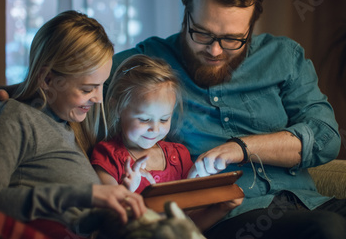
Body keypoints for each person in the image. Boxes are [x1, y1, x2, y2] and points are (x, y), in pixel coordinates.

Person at [0, 0, 346, 239]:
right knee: (326, 234)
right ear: (186, 12)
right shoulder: (145, 61)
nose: (214, 49)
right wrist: (9, 94)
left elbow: (326, 139)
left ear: (252, 29)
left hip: (307, 196)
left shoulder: (284, 57)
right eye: (202, 33)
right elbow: (70, 70)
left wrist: (242, 148)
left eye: (232, 40)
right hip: (232, 217)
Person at [0, 10, 146, 238]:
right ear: (47, 79)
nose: (98, 99)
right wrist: (88, 195)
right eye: (87, 89)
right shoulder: (15, 116)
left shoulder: (72, 121)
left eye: (102, 85)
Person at [90, 54, 243, 231]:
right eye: (145, 119)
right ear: (117, 108)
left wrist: (221, 207)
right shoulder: (107, 155)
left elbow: (189, 226)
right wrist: (126, 192)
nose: (155, 129)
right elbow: (109, 222)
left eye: (164, 120)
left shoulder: (178, 155)